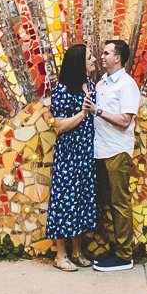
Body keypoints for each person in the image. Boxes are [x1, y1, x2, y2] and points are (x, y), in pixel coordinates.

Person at [91, 38, 140, 271]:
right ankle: (115, 247)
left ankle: (124, 255)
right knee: (107, 202)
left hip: (117, 151)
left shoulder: (127, 85)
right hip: (100, 151)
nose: (102, 56)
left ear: (117, 58)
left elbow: (125, 120)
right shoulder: (102, 83)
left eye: (106, 52)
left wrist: (97, 111)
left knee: (120, 202)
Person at [46, 43, 96, 271]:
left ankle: (77, 250)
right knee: (64, 203)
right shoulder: (63, 91)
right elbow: (60, 125)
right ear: (79, 63)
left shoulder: (91, 85)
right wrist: (82, 114)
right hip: (68, 156)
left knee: (81, 201)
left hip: (85, 155)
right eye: (88, 57)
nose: (93, 59)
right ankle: (61, 255)